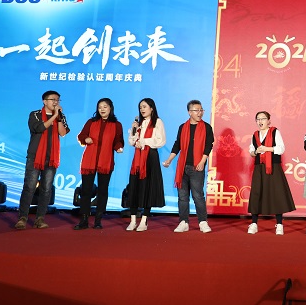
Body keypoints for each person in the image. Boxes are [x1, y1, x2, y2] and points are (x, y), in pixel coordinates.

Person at [14, 90, 69, 230]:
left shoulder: (60, 116)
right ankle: (22, 218)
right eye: (53, 99)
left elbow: (63, 133)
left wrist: (58, 118)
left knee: (46, 189)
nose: (56, 102)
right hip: (35, 156)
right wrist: (54, 116)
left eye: (58, 100)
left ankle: (40, 219)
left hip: (51, 157)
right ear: (45, 101)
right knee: (30, 187)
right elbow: (39, 128)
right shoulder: (35, 114)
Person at [163, 100, 214, 234]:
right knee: (182, 196)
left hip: (197, 166)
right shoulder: (183, 127)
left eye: (201, 110)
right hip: (183, 167)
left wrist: (202, 161)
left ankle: (203, 222)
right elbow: (177, 145)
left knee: (198, 196)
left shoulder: (207, 127)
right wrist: (169, 160)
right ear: (189, 112)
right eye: (197, 110)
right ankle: (183, 222)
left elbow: (208, 145)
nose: (200, 113)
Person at [74, 98, 124, 230]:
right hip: (89, 160)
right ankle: (84, 220)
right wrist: (85, 138)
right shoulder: (91, 122)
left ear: (110, 108)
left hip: (106, 161)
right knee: (86, 190)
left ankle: (98, 220)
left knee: (102, 190)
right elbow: (81, 135)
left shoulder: (117, 125)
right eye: (100, 107)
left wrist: (119, 147)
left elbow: (118, 140)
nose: (102, 109)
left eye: (105, 107)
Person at [247, 111, 295, 235]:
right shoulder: (255, 135)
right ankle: (254, 223)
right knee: (256, 193)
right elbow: (251, 151)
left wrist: (267, 149)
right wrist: (256, 152)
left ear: (269, 121)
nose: (260, 121)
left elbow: (281, 149)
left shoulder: (274, 132)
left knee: (276, 194)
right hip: (259, 168)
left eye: (263, 118)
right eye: (258, 119)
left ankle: (279, 224)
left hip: (273, 167)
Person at [126, 98, 166, 231]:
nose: (142, 109)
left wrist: (143, 141)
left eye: (144, 106)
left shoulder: (157, 122)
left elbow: (160, 140)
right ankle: (133, 220)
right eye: (140, 107)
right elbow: (131, 141)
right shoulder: (139, 123)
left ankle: (144, 219)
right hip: (138, 158)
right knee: (134, 186)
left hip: (150, 157)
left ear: (151, 108)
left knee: (148, 187)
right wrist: (133, 130)